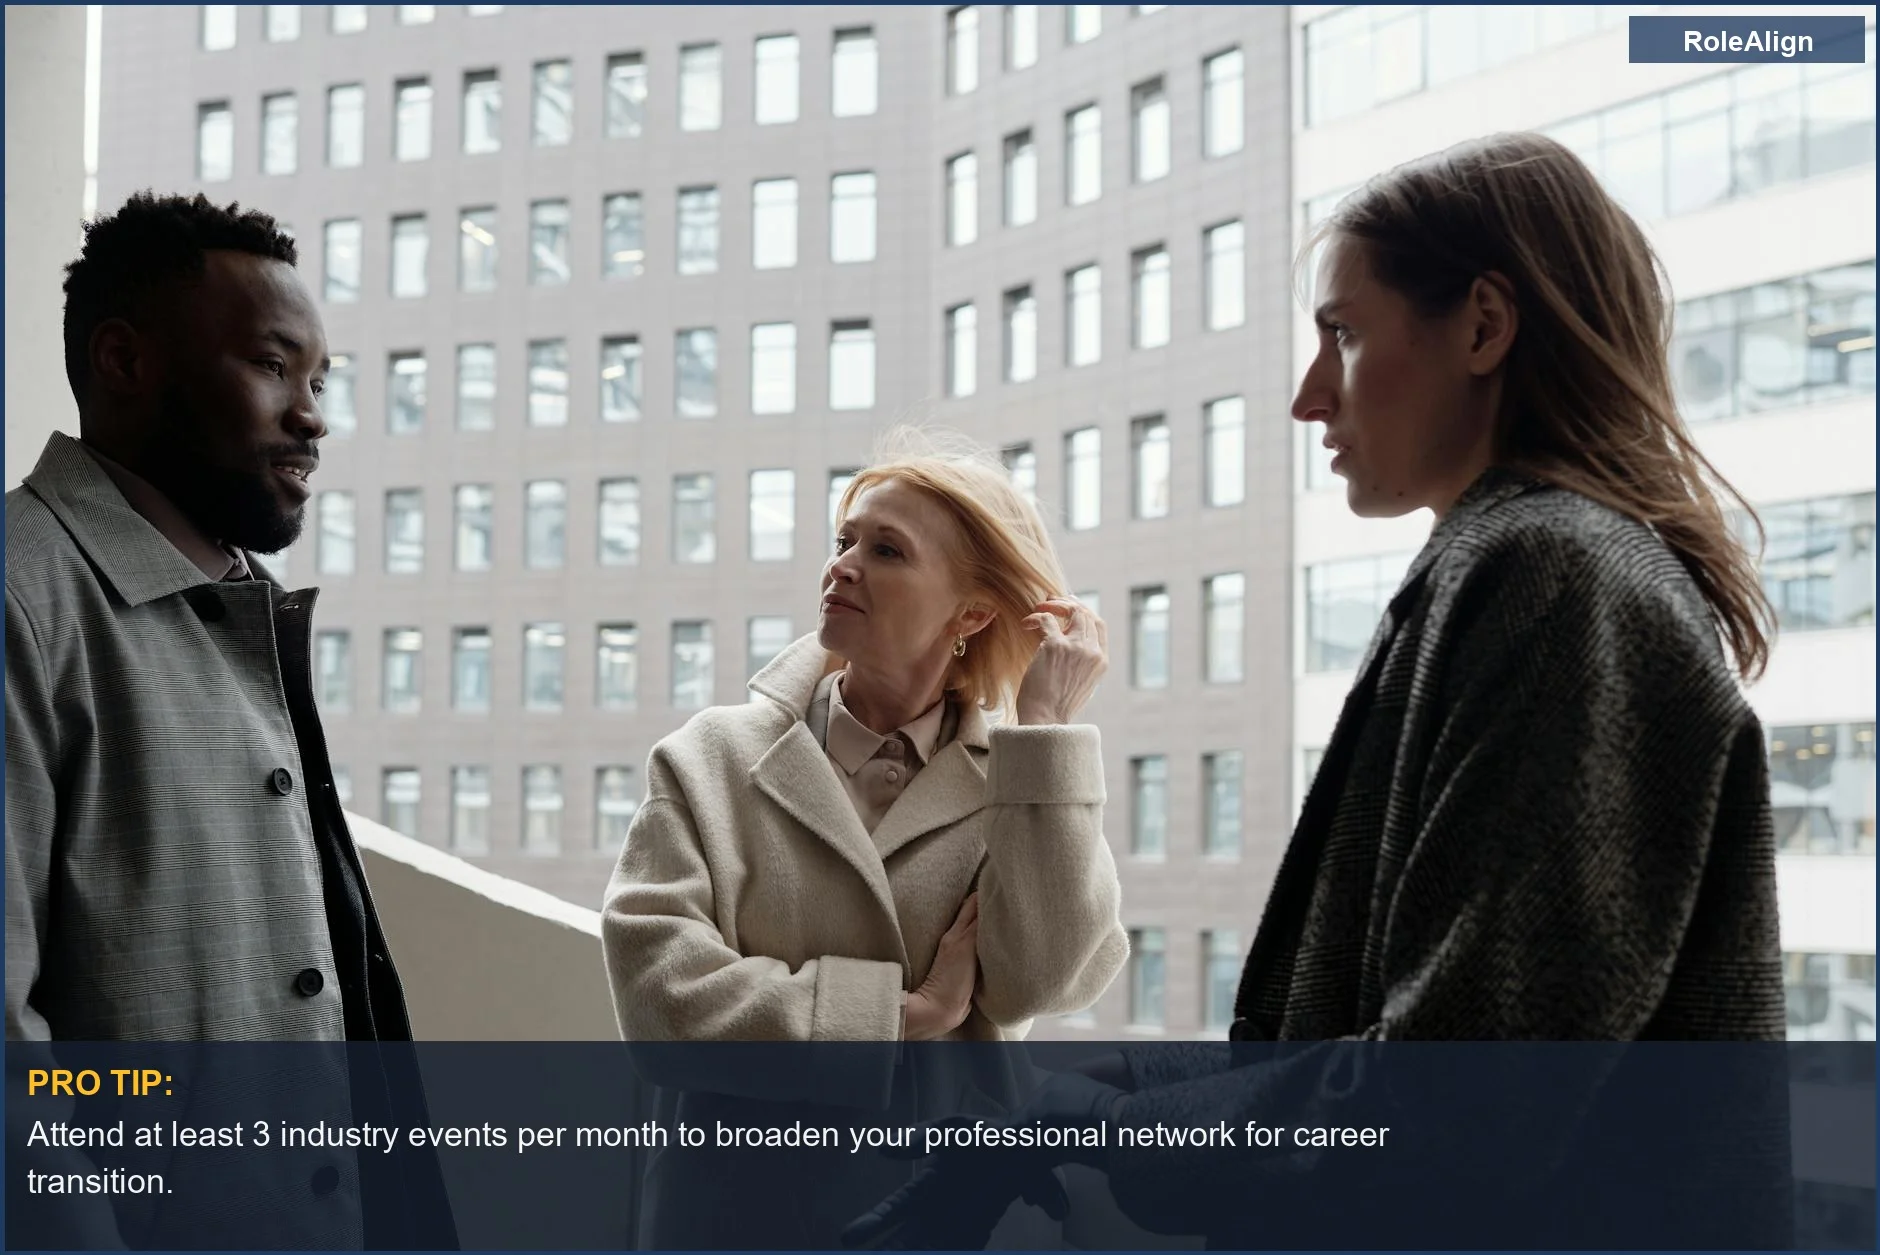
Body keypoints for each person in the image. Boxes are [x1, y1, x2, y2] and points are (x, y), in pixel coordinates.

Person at [842, 132, 1788, 1250]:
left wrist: (1090, 1124)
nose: (1306, 397)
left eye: (1342, 333)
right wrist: (1122, 1085)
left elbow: (1458, 1105)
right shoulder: (1516, 572)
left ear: (1482, 326)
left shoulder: (1556, 580)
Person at [6, 192, 454, 1249]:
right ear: (125, 361)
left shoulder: (238, 601)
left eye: (320, 380)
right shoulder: (25, 597)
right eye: (271, 366)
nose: (313, 416)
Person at [601, 430, 1128, 1248]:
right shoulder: (711, 757)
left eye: (886, 550)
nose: (842, 565)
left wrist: (1047, 729)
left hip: (954, 1219)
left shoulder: (1022, 780)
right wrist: (901, 1016)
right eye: (844, 540)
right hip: (735, 1222)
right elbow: (661, 1003)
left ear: (972, 612)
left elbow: (1044, 980)